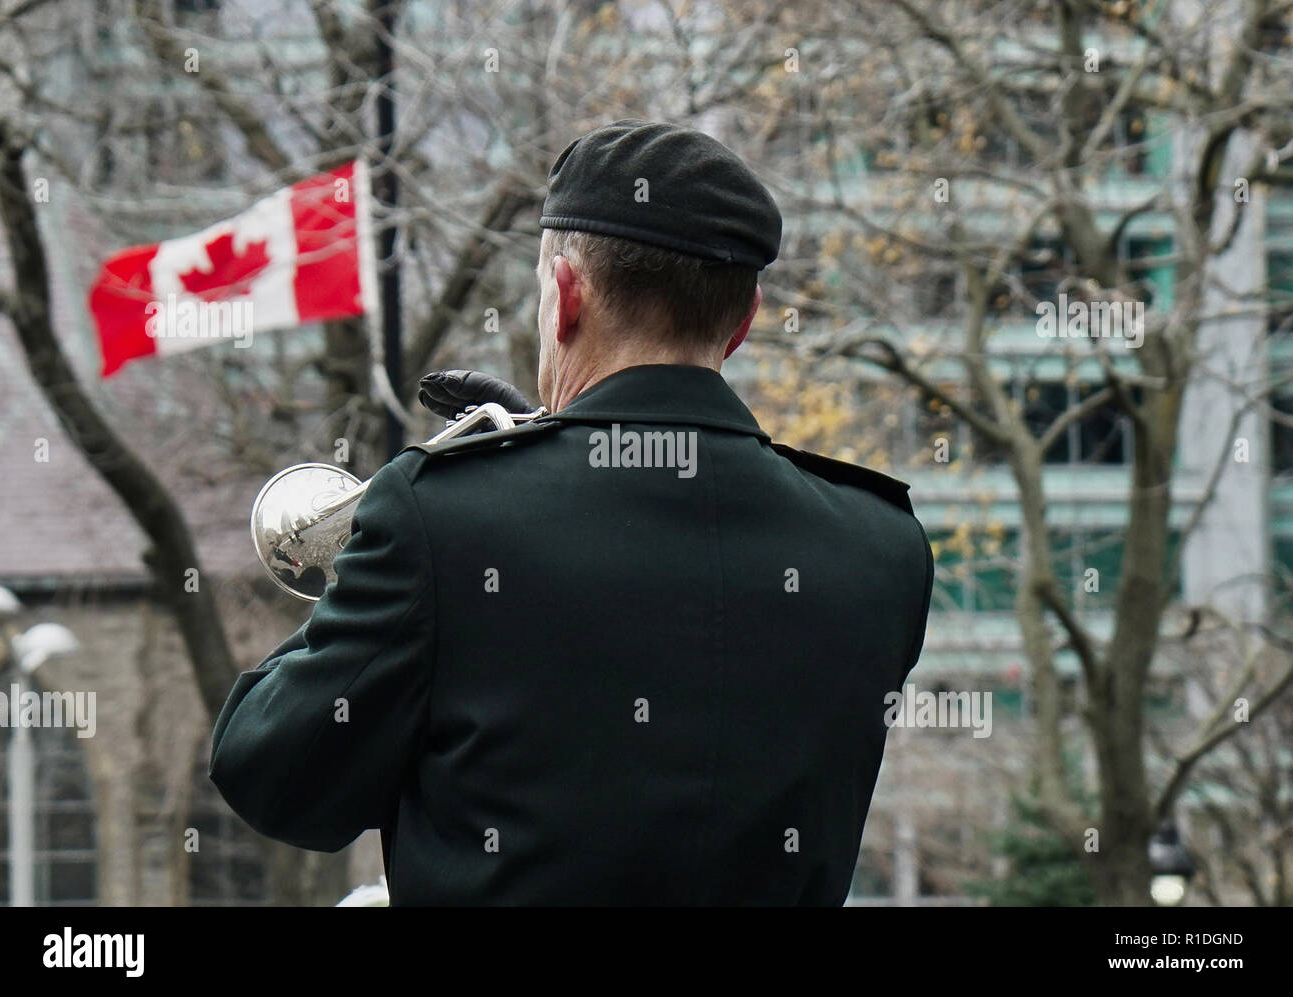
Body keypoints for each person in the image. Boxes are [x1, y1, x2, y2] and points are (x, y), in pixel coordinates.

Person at [210, 119, 933, 905]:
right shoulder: (881, 545)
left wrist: (467, 492)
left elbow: (270, 773)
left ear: (563, 295)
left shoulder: (444, 518)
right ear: (745, 319)